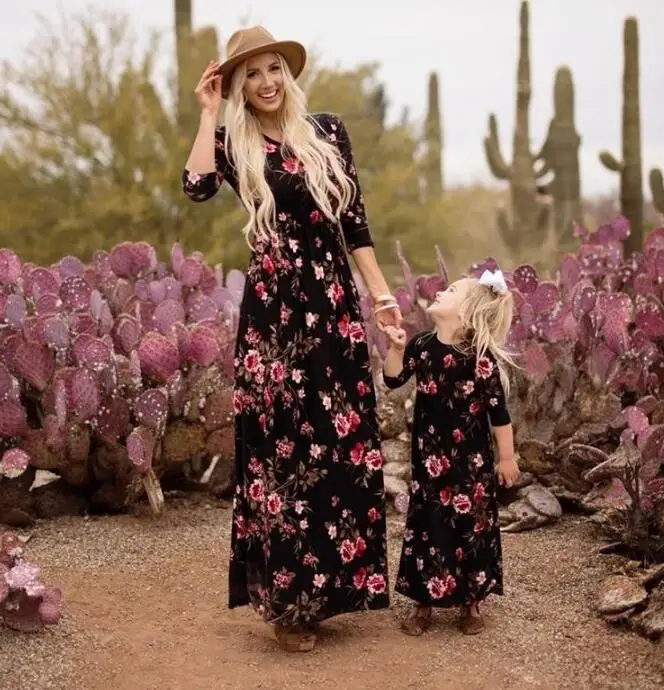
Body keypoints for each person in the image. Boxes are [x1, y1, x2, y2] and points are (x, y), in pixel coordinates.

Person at [181, 26, 401, 652]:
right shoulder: (232, 141)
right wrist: (208, 113)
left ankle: (334, 589)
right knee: (283, 458)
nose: (267, 81)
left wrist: (382, 300)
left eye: (274, 68)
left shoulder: (326, 131)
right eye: (251, 74)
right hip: (274, 319)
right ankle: (288, 604)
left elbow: (355, 224)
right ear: (237, 86)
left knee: (341, 443)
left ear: (288, 72)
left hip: (332, 310)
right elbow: (195, 187)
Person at [381, 269, 520, 636]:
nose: (441, 291)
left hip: (471, 466)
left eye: (452, 290)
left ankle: (470, 602)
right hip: (429, 461)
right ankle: (422, 603)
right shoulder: (422, 346)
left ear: (468, 310)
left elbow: (498, 413)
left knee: (472, 528)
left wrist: (506, 457)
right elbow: (393, 379)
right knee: (427, 526)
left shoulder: (480, 357)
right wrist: (395, 348)